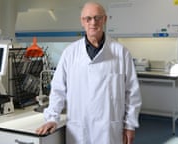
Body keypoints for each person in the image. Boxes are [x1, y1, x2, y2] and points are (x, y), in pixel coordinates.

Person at [36, 2, 142, 144]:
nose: (93, 23)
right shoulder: (70, 53)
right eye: (88, 18)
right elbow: (58, 90)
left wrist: (130, 125)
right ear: (82, 22)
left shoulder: (121, 52)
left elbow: (132, 92)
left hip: (109, 130)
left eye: (97, 18)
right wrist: (51, 118)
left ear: (104, 19)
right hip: (79, 129)